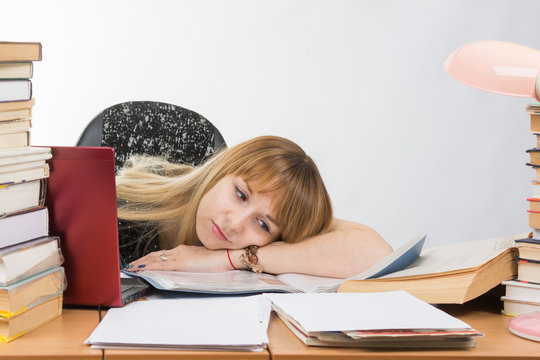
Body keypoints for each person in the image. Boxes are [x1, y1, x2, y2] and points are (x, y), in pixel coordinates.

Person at [118, 135, 392, 278]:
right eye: (240, 194)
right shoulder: (125, 203)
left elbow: (376, 253)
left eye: (263, 224)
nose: (235, 224)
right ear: (223, 168)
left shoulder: (244, 251)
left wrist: (231, 259)